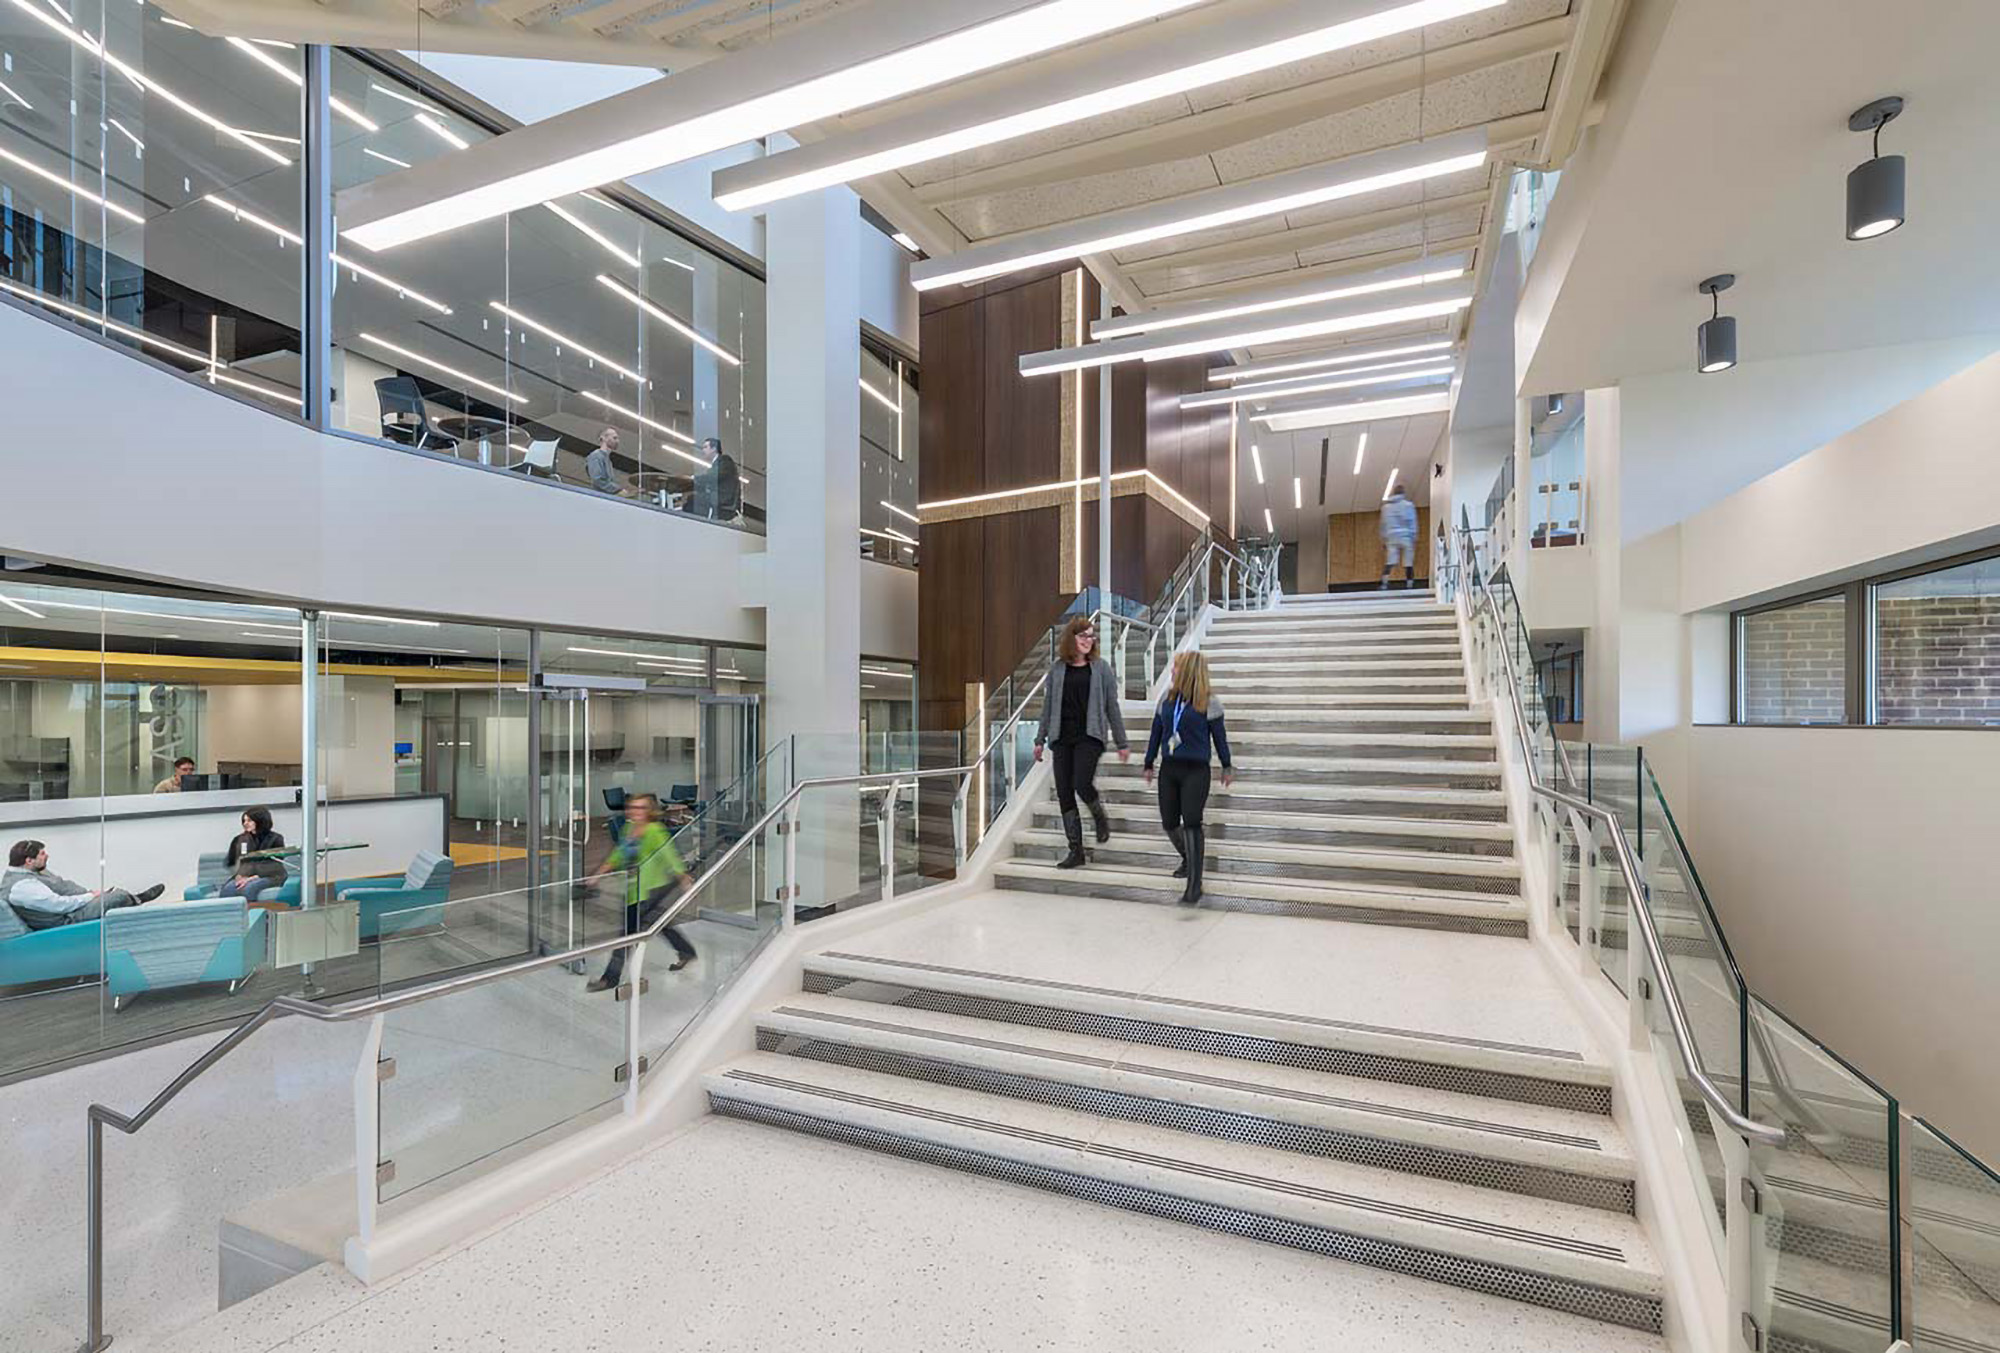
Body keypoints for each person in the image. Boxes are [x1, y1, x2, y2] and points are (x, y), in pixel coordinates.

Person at [1032, 614, 1130, 869]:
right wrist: (1039, 739)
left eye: (1091, 635)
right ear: (1071, 638)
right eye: (1084, 635)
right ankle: (1076, 850)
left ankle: (1099, 816)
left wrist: (1121, 742)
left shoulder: (1101, 668)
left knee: (1081, 783)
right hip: (1062, 737)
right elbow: (1048, 707)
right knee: (1064, 792)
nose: (1089, 640)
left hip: (1090, 736)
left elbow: (1112, 707)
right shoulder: (1056, 669)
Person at [1143, 651, 1234, 906]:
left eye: (1176, 667)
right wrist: (1149, 761)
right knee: (1169, 821)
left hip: (1196, 770)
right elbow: (1156, 733)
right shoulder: (1167, 699)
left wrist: (1227, 766)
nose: (1171, 671)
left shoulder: (1210, 703)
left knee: (1192, 820)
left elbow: (1220, 738)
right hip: (1169, 770)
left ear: (1189, 671)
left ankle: (1194, 884)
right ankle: (1188, 857)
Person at [585, 792, 696, 992]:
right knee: (659, 924)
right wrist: (597, 875)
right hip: (634, 888)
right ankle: (686, 951)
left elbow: (668, 853)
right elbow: (617, 855)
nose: (636, 812)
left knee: (627, 935)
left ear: (650, 811)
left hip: (651, 889)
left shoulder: (655, 830)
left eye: (641, 808)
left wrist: (682, 876)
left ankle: (610, 978)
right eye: (633, 807)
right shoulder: (628, 828)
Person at [1, 840, 163, 929]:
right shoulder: (22, 887)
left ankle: (134, 907)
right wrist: (89, 897)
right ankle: (138, 901)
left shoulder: (28, 873)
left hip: (70, 908)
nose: (47, 856)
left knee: (112, 894)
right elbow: (59, 906)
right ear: (29, 861)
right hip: (66, 919)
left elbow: (60, 887)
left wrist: (90, 894)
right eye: (42, 854)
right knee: (117, 896)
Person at [219, 807, 288, 903]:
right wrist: (239, 875)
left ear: (260, 821)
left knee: (249, 888)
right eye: (244, 821)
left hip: (270, 875)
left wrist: (252, 877)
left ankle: (252, 916)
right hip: (245, 876)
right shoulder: (240, 839)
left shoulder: (276, 839)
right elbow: (231, 861)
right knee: (228, 889)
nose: (245, 824)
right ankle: (230, 917)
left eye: (249, 820)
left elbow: (276, 864)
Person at [690, 437, 741, 521]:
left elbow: (714, 476)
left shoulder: (724, 460)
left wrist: (695, 478)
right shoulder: (717, 464)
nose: (703, 450)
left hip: (723, 498)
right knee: (694, 498)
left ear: (714, 449)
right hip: (720, 497)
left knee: (693, 499)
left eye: (706, 447)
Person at [1380, 484, 1419, 590]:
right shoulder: (1408, 505)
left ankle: (1384, 583)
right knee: (1408, 561)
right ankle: (1409, 584)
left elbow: (1383, 524)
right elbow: (1412, 522)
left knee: (1391, 560)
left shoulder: (1386, 508)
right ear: (1403, 493)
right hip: (1406, 535)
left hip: (1392, 536)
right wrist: (1414, 536)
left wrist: (1383, 539)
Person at [585, 426, 628, 497]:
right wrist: (618, 490)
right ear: (604, 438)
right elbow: (598, 480)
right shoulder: (596, 456)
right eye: (614, 438)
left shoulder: (607, 460)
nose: (617, 441)